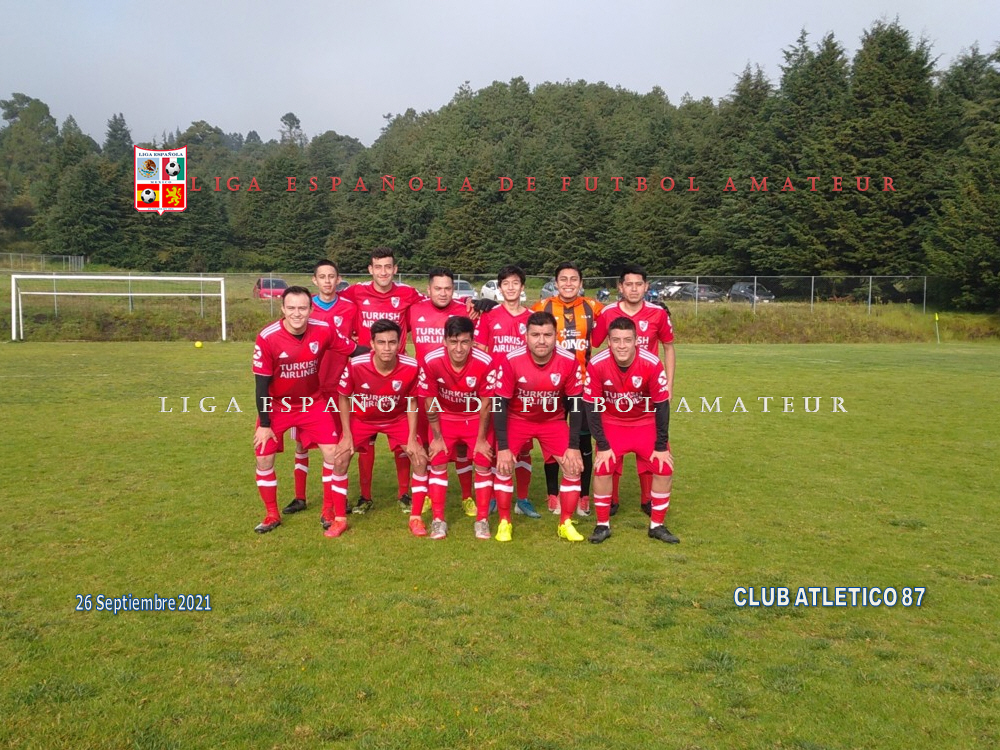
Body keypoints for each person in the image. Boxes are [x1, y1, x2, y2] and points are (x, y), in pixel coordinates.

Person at [251, 286, 366, 534]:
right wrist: (265, 424)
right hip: (278, 405)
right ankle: (271, 514)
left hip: (312, 403)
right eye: (291, 308)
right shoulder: (267, 337)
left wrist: (387, 353)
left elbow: (354, 349)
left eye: (302, 308)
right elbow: (261, 385)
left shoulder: (323, 330)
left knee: (333, 453)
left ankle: (328, 509)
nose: (297, 313)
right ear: (282, 309)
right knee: (263, 456)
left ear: (311, 309)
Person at [338, 247, 424, 514]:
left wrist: (474, 304)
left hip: (398, 372)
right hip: (366, 371)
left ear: (395, 269)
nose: (383, 272)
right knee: (366, 442)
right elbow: (332, 305)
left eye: (388, 267)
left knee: (402, 441)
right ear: (370, 269)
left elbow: (435, 301)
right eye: (378, 267)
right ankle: (365, 497)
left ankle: (403, 493)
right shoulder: (355, 291)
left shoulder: (408, 293)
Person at [327, 319, 428, 538]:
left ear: (400, 343)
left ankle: (416, 517)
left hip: (397, 418)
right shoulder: (356, 364)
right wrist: (346, 435)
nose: (387, 348)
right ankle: (339, 519)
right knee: (340, 458)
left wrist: (412, 438)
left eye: (392, 342)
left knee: (420, 459)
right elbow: (343, 397)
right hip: (363, 418)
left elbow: (413, 401)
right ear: (372, 344)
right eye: (381, 342)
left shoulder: (411, 366)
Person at [492, 311, 586, 542]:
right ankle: (504, 521)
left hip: (552, 421)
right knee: (503, 465)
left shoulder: (569, 360)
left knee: (573, 467)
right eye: (535, 335)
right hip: (518, 419)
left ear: (556, 336)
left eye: (547, 335)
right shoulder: (511, 360)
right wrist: (503, 446)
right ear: (526, 336)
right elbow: (499, 404)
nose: (541, 340)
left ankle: (565, 522)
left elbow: (576, 404)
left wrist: (574, 446)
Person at [582, 317, 678, 543]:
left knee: (663, 466)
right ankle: (602, 524)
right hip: (613, 422)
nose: (622, 345)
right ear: (609, 342)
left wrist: (661, 445)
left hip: (645, 422)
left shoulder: (651, 363)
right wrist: (602, 444)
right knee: (603, 467)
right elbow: (591, 407)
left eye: (627, 340)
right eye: (616, 340)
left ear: (636, 341)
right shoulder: (597, 363)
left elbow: (662, 405)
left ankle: (657, 525)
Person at [592, 263, 676, 516]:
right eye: (628, 284)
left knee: (650, 445)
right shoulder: (608, 312)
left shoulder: (658, 313)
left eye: (639, 284)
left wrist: (669, 385)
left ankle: (648, 499)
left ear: (646, 287)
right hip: (615, 390)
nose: (634, 289)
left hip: (648, 391)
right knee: (611, 444)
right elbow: (595, 342)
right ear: (620, 287)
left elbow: (669, 347)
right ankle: (611, 499)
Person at [283, 259, 358, 516]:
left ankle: (337, 499)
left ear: (339, 279)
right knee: (301, 444)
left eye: (331, 276)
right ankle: (300, 497)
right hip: (306, 388)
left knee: (337, 446)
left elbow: (357, 341)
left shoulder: (350, 308)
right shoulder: (304, 308)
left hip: (337, 387)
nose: (327, 281)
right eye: (322, 276)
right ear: (314, 280)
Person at [533, 262, 604, 517]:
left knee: (583, 439)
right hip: (552, 387)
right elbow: (519, 318)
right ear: (556, 283)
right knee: (551, 440)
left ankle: (584, 496)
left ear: (581, 283)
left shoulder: (593, 307)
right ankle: (553, 494)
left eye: (573, 279)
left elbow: (621, 315)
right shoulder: (543, 307)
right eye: (563, 279)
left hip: (582, 386)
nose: (568, 283)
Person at [420, 316, 497, 539]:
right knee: (437, 461)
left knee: (483, 462)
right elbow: (430, 401)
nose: (459, 348)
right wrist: (437, 437)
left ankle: (482, 520)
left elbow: (486, 404)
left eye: (464, 342)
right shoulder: (431, 360)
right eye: (453, 342)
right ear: (444, 341)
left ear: (472, 341)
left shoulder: (485, 361)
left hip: (475, 417)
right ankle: (438, 520)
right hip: (445, 417)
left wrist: (481, 440)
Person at [408, 268, 477, 514]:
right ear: (428, 289)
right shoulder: (414, 309)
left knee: (460, 448)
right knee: (428, 442)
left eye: (448, 288)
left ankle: (467, 496)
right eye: (438, 288)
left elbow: (477, 339)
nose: (443, 293)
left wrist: (481, 303)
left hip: (456, 389)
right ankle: (428, 493)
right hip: (424, 389)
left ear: (453, 290)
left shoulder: (465, 310)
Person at [473, 265, 540, 518]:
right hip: (494, 391)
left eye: (515, 283)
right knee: (494, 443)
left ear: (522, 287)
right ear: (500, 288)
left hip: (523, 391)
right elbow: (480, 351)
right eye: (506, 284)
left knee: (523, 447)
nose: (510, 288)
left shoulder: (532, 318)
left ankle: (522, 499)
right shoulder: (489, 317)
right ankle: (492, 496)